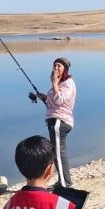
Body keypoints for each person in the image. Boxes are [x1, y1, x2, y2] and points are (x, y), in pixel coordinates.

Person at [36, 57, 77, 188]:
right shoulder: (60, 84)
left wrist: (54, 83)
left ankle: (65, 184)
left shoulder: (68, 83)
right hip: (54, 120)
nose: (56, 68)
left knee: (59, 153)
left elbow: (59, 100)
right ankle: (62, 181)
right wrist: (44, 97)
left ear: (65, 69)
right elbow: (54, 102)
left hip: (60, 121)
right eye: (54, 65)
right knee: (57, 152)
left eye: (59, 65)